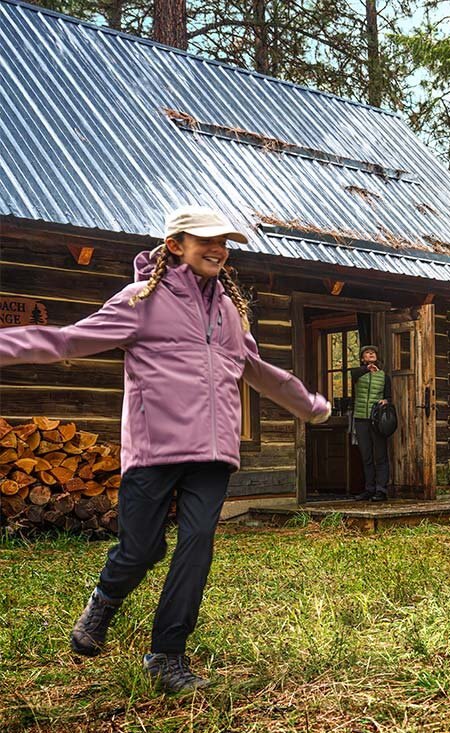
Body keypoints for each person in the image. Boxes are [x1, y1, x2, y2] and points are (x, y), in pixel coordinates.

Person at [0, 206, 330, 693]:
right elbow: (68, 340)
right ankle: (104, 602)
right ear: (176, 244)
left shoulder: (230, 312)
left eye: (224, 242)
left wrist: (309, 406)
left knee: (197, 544)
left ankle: (166, 655)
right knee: (141, 550)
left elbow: (259, 371)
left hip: (213, 455)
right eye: (206, 240)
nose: (218, 249)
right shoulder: (142, 300)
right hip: (154, 451)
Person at [349, 344, 390, 501]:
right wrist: (367, 369)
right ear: (362, 358)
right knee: (366, 456)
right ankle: (369, 489)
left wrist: (386, 400)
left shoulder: (384, 376)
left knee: (380, 455)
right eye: (367, 352)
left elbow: (389, 396)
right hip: (360, 419)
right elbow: (353, 374)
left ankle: (381, 490)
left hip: (377, 420)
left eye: (373, 352)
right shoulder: (358, 374)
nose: (371, 354)